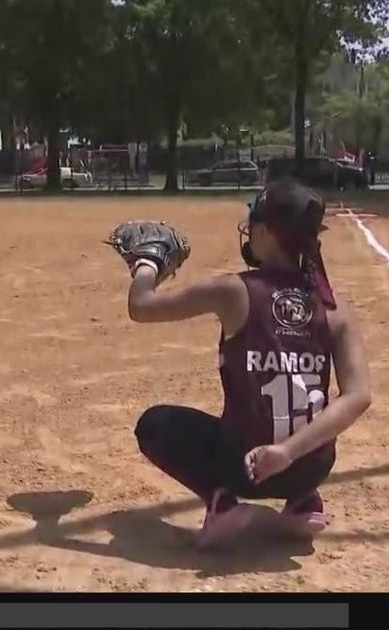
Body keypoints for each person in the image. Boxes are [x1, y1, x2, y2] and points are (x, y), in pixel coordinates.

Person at [124, 177, 372, 550]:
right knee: (306, 414)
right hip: (309, 467)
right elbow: (358, 396)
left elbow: (141, 307)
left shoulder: (233, 291)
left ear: (268, 233)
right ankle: (304, 502)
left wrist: (147, 263)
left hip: (246, 466)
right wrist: (289, 453)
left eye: (255, 223)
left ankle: (222, 504)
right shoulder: (334, 309)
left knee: (154, 426)